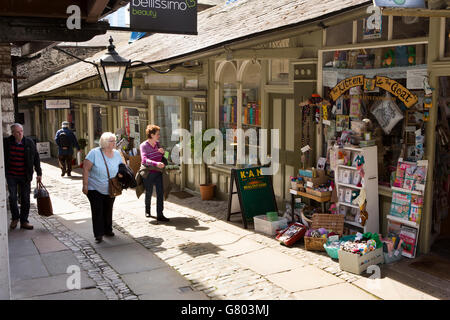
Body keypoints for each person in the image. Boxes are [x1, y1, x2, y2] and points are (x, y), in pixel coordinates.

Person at [82, 132, 123, 243]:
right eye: (112, 141)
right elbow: (86, 168)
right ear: (104, 142)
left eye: (115, 141)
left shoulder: (117, 154)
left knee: (108, 209)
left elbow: (121, 166)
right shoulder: (94, 153)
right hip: (94, 187)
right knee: (97, 210)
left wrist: (121, 173)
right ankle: (98, 234)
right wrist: (85, 185)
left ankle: (107, 230)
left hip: (111, 187)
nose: (114, 143)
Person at [3, 123, 42, 230]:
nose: (20, 134)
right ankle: (15, 218)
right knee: (13, 197)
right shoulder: (6, 143)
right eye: (17, 132)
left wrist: (39, 173)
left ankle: (24, 221)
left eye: (21, 131)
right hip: (11, 175)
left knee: (25, 198)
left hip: (25, 175)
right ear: (13, 133)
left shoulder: (29, 142)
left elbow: (36, 158)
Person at [140, 124, 170, 222]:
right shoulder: (144, 145)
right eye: (157, 134)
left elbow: (165, 156)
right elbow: (144, 160)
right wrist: (156, 163)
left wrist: (163, 152)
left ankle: (160, 214)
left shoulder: (158, 144)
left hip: (158, 172)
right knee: (148, 192)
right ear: (152, 135)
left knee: (160, 193)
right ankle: (147, 210)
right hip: (149, 172)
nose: (159, 136)